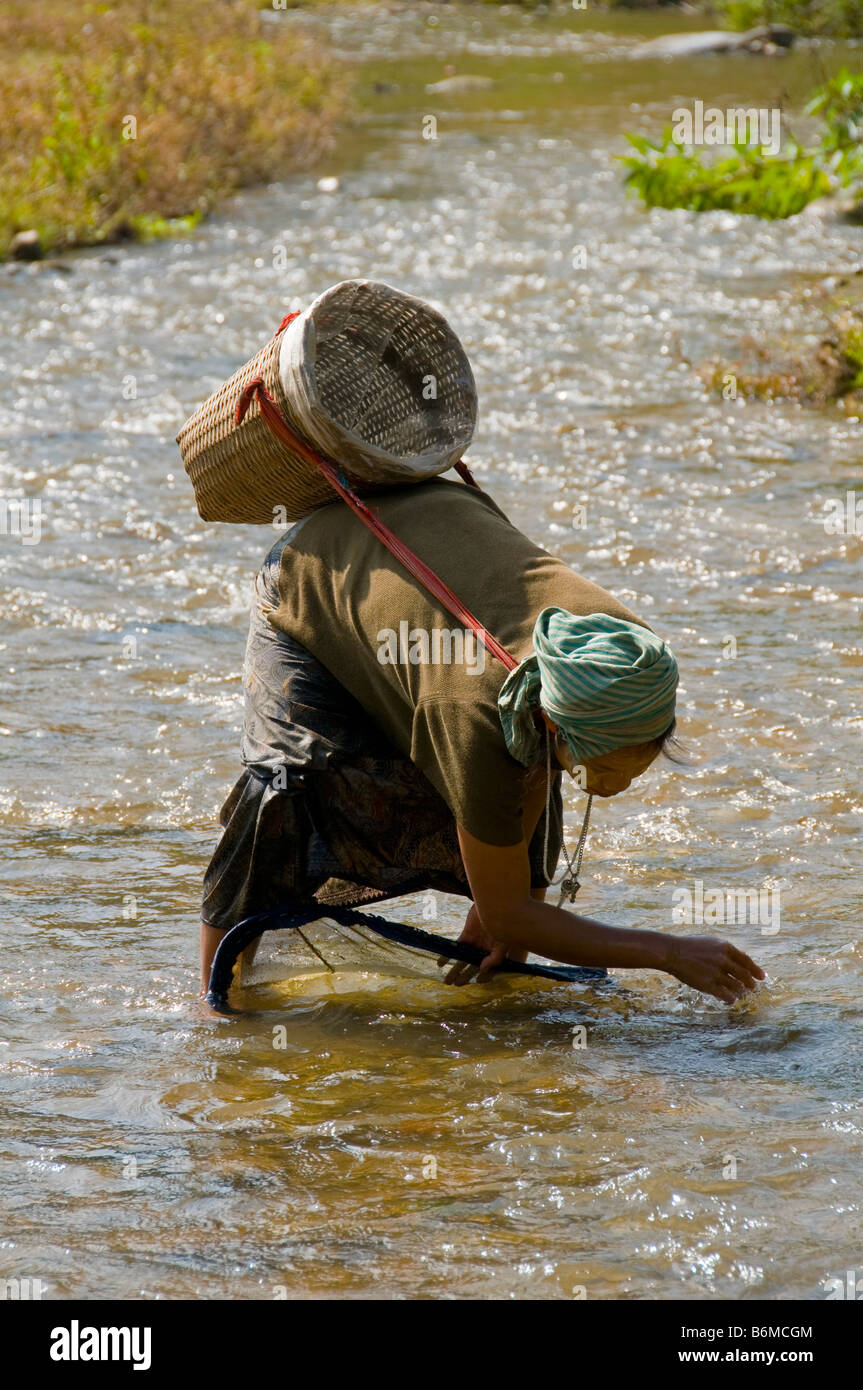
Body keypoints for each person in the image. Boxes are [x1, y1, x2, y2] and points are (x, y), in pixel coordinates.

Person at [199, 475, 764, 1006]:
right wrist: (667, 951)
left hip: (440, 530)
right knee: (285, 783)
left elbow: (537, 762)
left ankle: (497, 988)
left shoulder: (628, 656)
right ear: (552, 721)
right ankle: (213, 1007)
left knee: (522, 805)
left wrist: (502, 906)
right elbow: (515, 752)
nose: (611, 788)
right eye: (599, 767)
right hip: (314, 569)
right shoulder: (472, 708)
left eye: (635, 765)